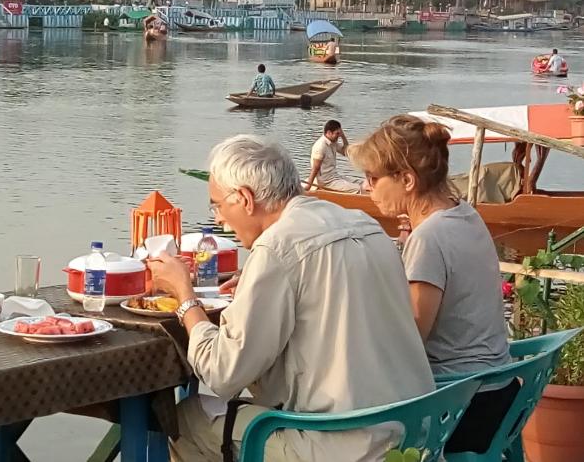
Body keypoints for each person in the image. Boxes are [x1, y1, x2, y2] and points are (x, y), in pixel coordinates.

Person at [148, 134, 434, 462]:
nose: (218, 219)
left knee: (184, 419)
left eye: (217, 205)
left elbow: (223, 373)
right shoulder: (363, 224)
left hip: (344, 445)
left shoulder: (277, 248)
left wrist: (185, 295)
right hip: (414, 432)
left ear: (244, 198)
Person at [348, 115, 514, 455]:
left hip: (459, 406)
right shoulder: (465, 214)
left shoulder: (429, 237)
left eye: (372, 178)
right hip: (497, 392)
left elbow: (410, 339)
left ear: (406, 179)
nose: (367, 187)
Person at [306, 120, 366, 193]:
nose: (339, 136)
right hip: (327, 182)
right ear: (329, 133)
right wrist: (309, 186)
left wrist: (343, 136)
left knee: (363, 183)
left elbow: (346, 152)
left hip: (335, 177)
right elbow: (315, 168)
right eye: (337, 133)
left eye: (340, 133)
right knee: (359, 189)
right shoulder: (320, 146)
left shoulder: (333, 142)